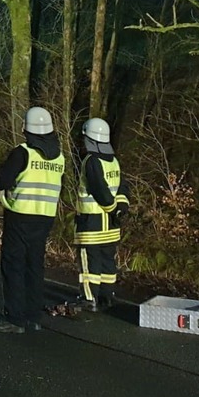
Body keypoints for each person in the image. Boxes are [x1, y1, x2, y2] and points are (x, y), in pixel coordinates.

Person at [0, 106, 66, 334]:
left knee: (13, 266)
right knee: (34, 266)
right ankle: (33, 317)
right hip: (45, 217)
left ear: (27, 129)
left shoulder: (22, 152)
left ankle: (14, 318)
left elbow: (2, 180)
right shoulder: (59, 156)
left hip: (20, 215)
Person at [73, 116, 129, 311]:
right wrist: (120, 209)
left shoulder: (91, 161)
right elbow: (122, 187)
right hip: (111, 225)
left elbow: (100, 191)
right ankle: (107, 296)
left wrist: (112, 207)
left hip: (92, 223)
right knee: (107, 261)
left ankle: (88, 298)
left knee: (89, 263)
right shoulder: (114, 161)